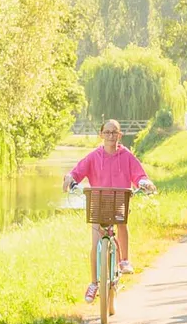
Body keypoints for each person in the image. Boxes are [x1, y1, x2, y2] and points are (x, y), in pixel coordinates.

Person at [63, 120, 156, 303]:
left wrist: (144, 183)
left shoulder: (126, 156)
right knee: (95, 242)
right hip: (98, 203)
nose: (111, 136)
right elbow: (77, 171)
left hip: (119, 201)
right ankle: (93, 282)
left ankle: (124, 260)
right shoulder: (93, 156)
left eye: (114, 132)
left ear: (119, 135)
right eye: (107, 132)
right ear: (101, 135)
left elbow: (139, 174)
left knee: (122, 223)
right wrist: (70, 178)